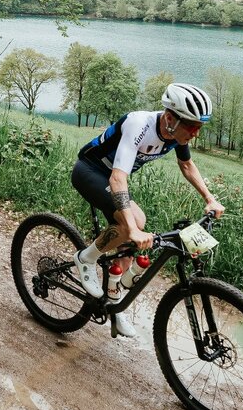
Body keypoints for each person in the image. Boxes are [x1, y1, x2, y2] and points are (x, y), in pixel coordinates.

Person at [71, 82, 225, 338]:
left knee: (128, 247)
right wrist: (131, 228)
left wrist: (210, 198)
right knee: (134, 222)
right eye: (192, 126)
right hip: (91, 171)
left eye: (200, 127)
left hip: (112, 179)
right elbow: (118, 179)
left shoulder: (176, 134)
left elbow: (187, 165)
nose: (196, 133)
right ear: (169, 118)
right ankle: (86, 257)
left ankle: (115, 304)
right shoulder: (138, 124)